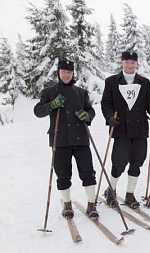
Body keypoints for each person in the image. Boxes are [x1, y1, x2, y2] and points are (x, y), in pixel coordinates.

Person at [34, 58, 98, 219]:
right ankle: (67, 204)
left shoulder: (81, 92)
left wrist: (87, 115)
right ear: (58, 73)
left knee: (88, 172)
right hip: (60, 140)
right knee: (62, 174)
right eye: (63, 72)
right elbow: (38, 111)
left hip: (81, 139)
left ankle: (91, 204)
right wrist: (52, 105)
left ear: (73, 73)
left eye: (69, 72)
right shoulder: (49, 92)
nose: (66, 75)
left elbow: (91, 111)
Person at [101, 51, 150, 209]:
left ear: (136, 64)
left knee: (137, 162)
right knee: (118, 163)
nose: (129, 65)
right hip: (121, 128)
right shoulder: (112, 81)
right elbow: (105, 104)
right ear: (122, 63)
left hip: (140, 129)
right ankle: (111, 191)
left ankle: (130, 194)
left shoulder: (144, 82)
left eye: (132, 62)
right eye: (127, 62)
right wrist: (109, 118)